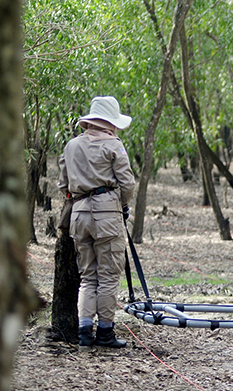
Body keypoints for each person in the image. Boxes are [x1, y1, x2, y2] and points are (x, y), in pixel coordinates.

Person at [58, 96, 136, 348]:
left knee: (88, 276)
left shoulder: (71, 146)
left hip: (78, 214)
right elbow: (127, 184)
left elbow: (63, 184)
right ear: (110, 122)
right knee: (108, 275)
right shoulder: (114, 145)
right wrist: (121, 205)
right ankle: (104, 333)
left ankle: (84, 333)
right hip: (107, 215)